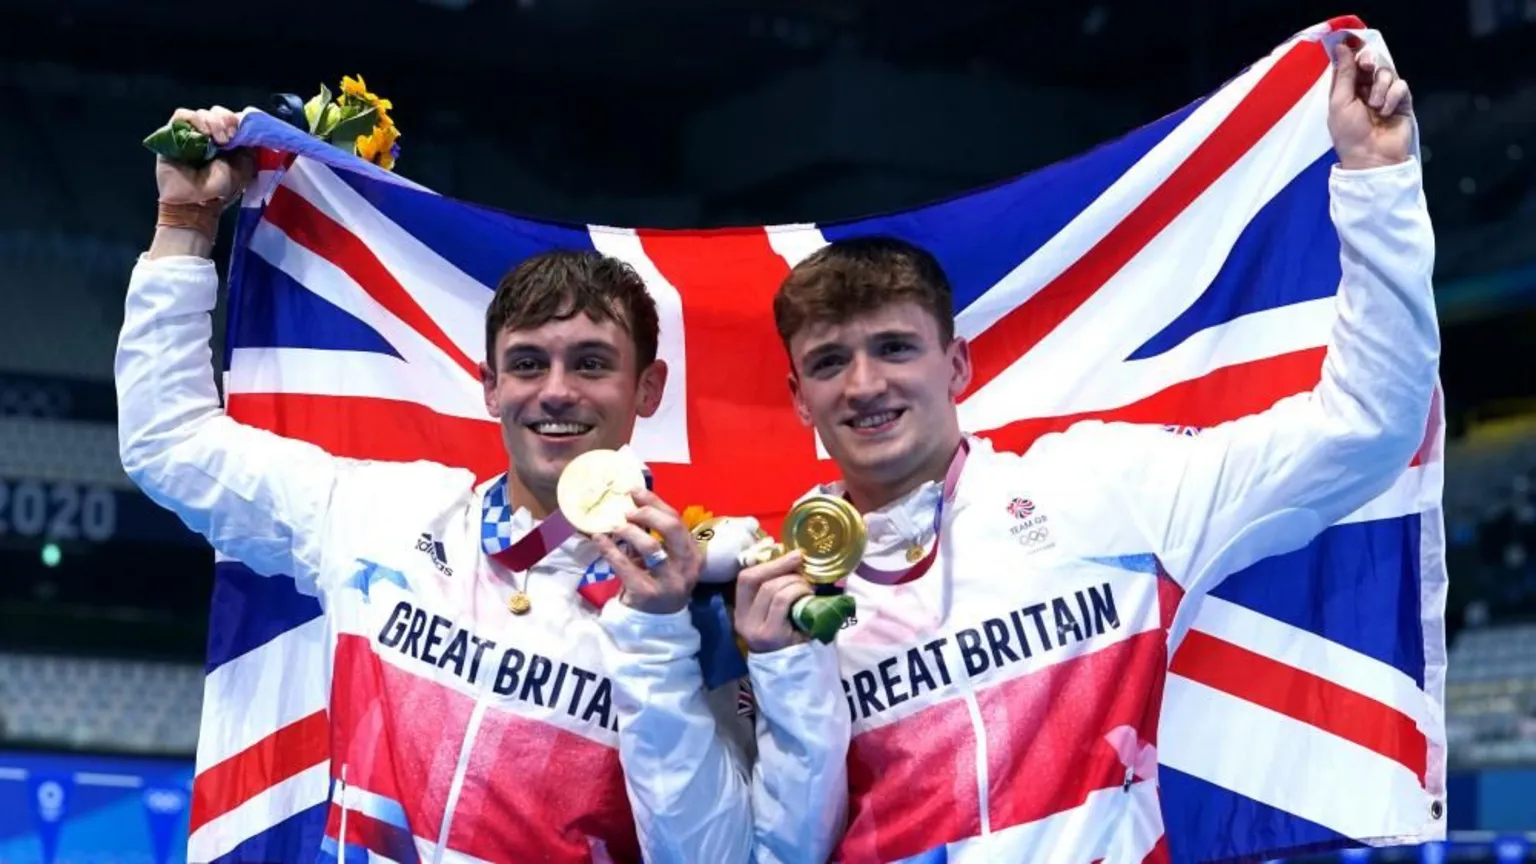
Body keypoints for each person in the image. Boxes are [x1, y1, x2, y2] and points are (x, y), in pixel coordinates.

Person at [732, 37, 1436, 861]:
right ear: (799, 399)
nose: (863, 385)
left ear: (957, 364)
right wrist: (776, 666)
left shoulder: (1103, 488)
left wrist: (1375, 182)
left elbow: (1365, 426)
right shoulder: (777, 596)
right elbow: (781, 850)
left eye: (894, 348)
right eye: (828, 363)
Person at [117, 105, 829, 863]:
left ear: (646, 389)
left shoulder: (701, 601)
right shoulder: (378, 515)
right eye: (527, 364)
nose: (556, 392)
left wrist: (656, 629)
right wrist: (186, 222)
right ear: (489, 386)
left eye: (591, 364)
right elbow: (171, 443)